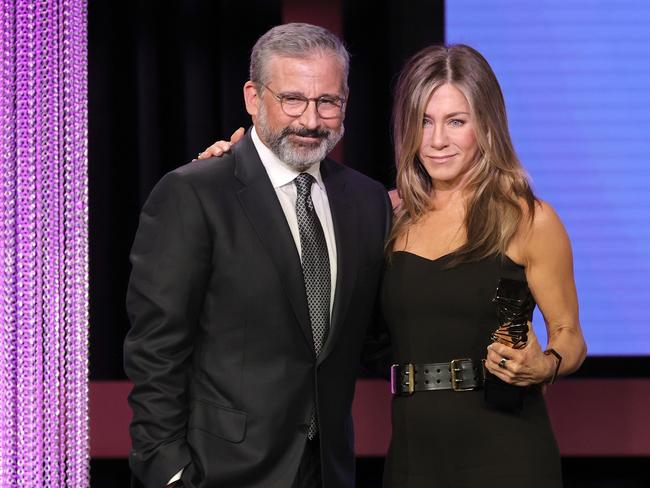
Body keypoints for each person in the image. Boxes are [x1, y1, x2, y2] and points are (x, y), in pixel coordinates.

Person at [201, 44, 587, 487]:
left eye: (455, 122)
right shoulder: (384, 214)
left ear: (487, 126)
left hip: (507, 449)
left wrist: (546, 365)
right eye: (424, 121)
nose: (437, 140)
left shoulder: (529, 218)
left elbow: (570, 335)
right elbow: (289, 229)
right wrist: (239, 166)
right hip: (411, 455)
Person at [124, 23, 391, 488]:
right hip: (218, 471)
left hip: (328, 470)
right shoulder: (196, 193)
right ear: (252, 97)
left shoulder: (367, 201)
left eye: (328, 102)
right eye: (292, 99)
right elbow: (156, 351)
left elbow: (373, 337)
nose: (310, 120)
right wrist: (168, 472)